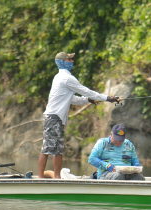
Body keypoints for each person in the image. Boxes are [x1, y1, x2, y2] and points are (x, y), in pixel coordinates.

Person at [38, 51, 120, 179]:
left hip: (54, 117)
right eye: (69, 59)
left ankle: (53, 177)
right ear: (63, 62)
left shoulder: (59, 77)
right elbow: (86, 91)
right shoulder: (67, 78)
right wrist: (107, 98)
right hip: (54, 117)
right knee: (50, 149)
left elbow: (72, 99)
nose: (72, 61)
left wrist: (88, 100)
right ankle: (49, 178)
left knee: (54, 148)